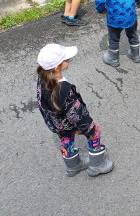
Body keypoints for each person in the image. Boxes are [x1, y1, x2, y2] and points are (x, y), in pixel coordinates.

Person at [35, 43, 114, 178]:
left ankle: (73, 166)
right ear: (56, 67)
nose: (69, 60)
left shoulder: (42, 79)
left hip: (55, 123)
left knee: (66, 138)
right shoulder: (63, 90)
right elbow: (75, 113)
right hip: (69, 121)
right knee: (94, 133)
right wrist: (89, 127)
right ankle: (97, 165)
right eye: (65, 59)